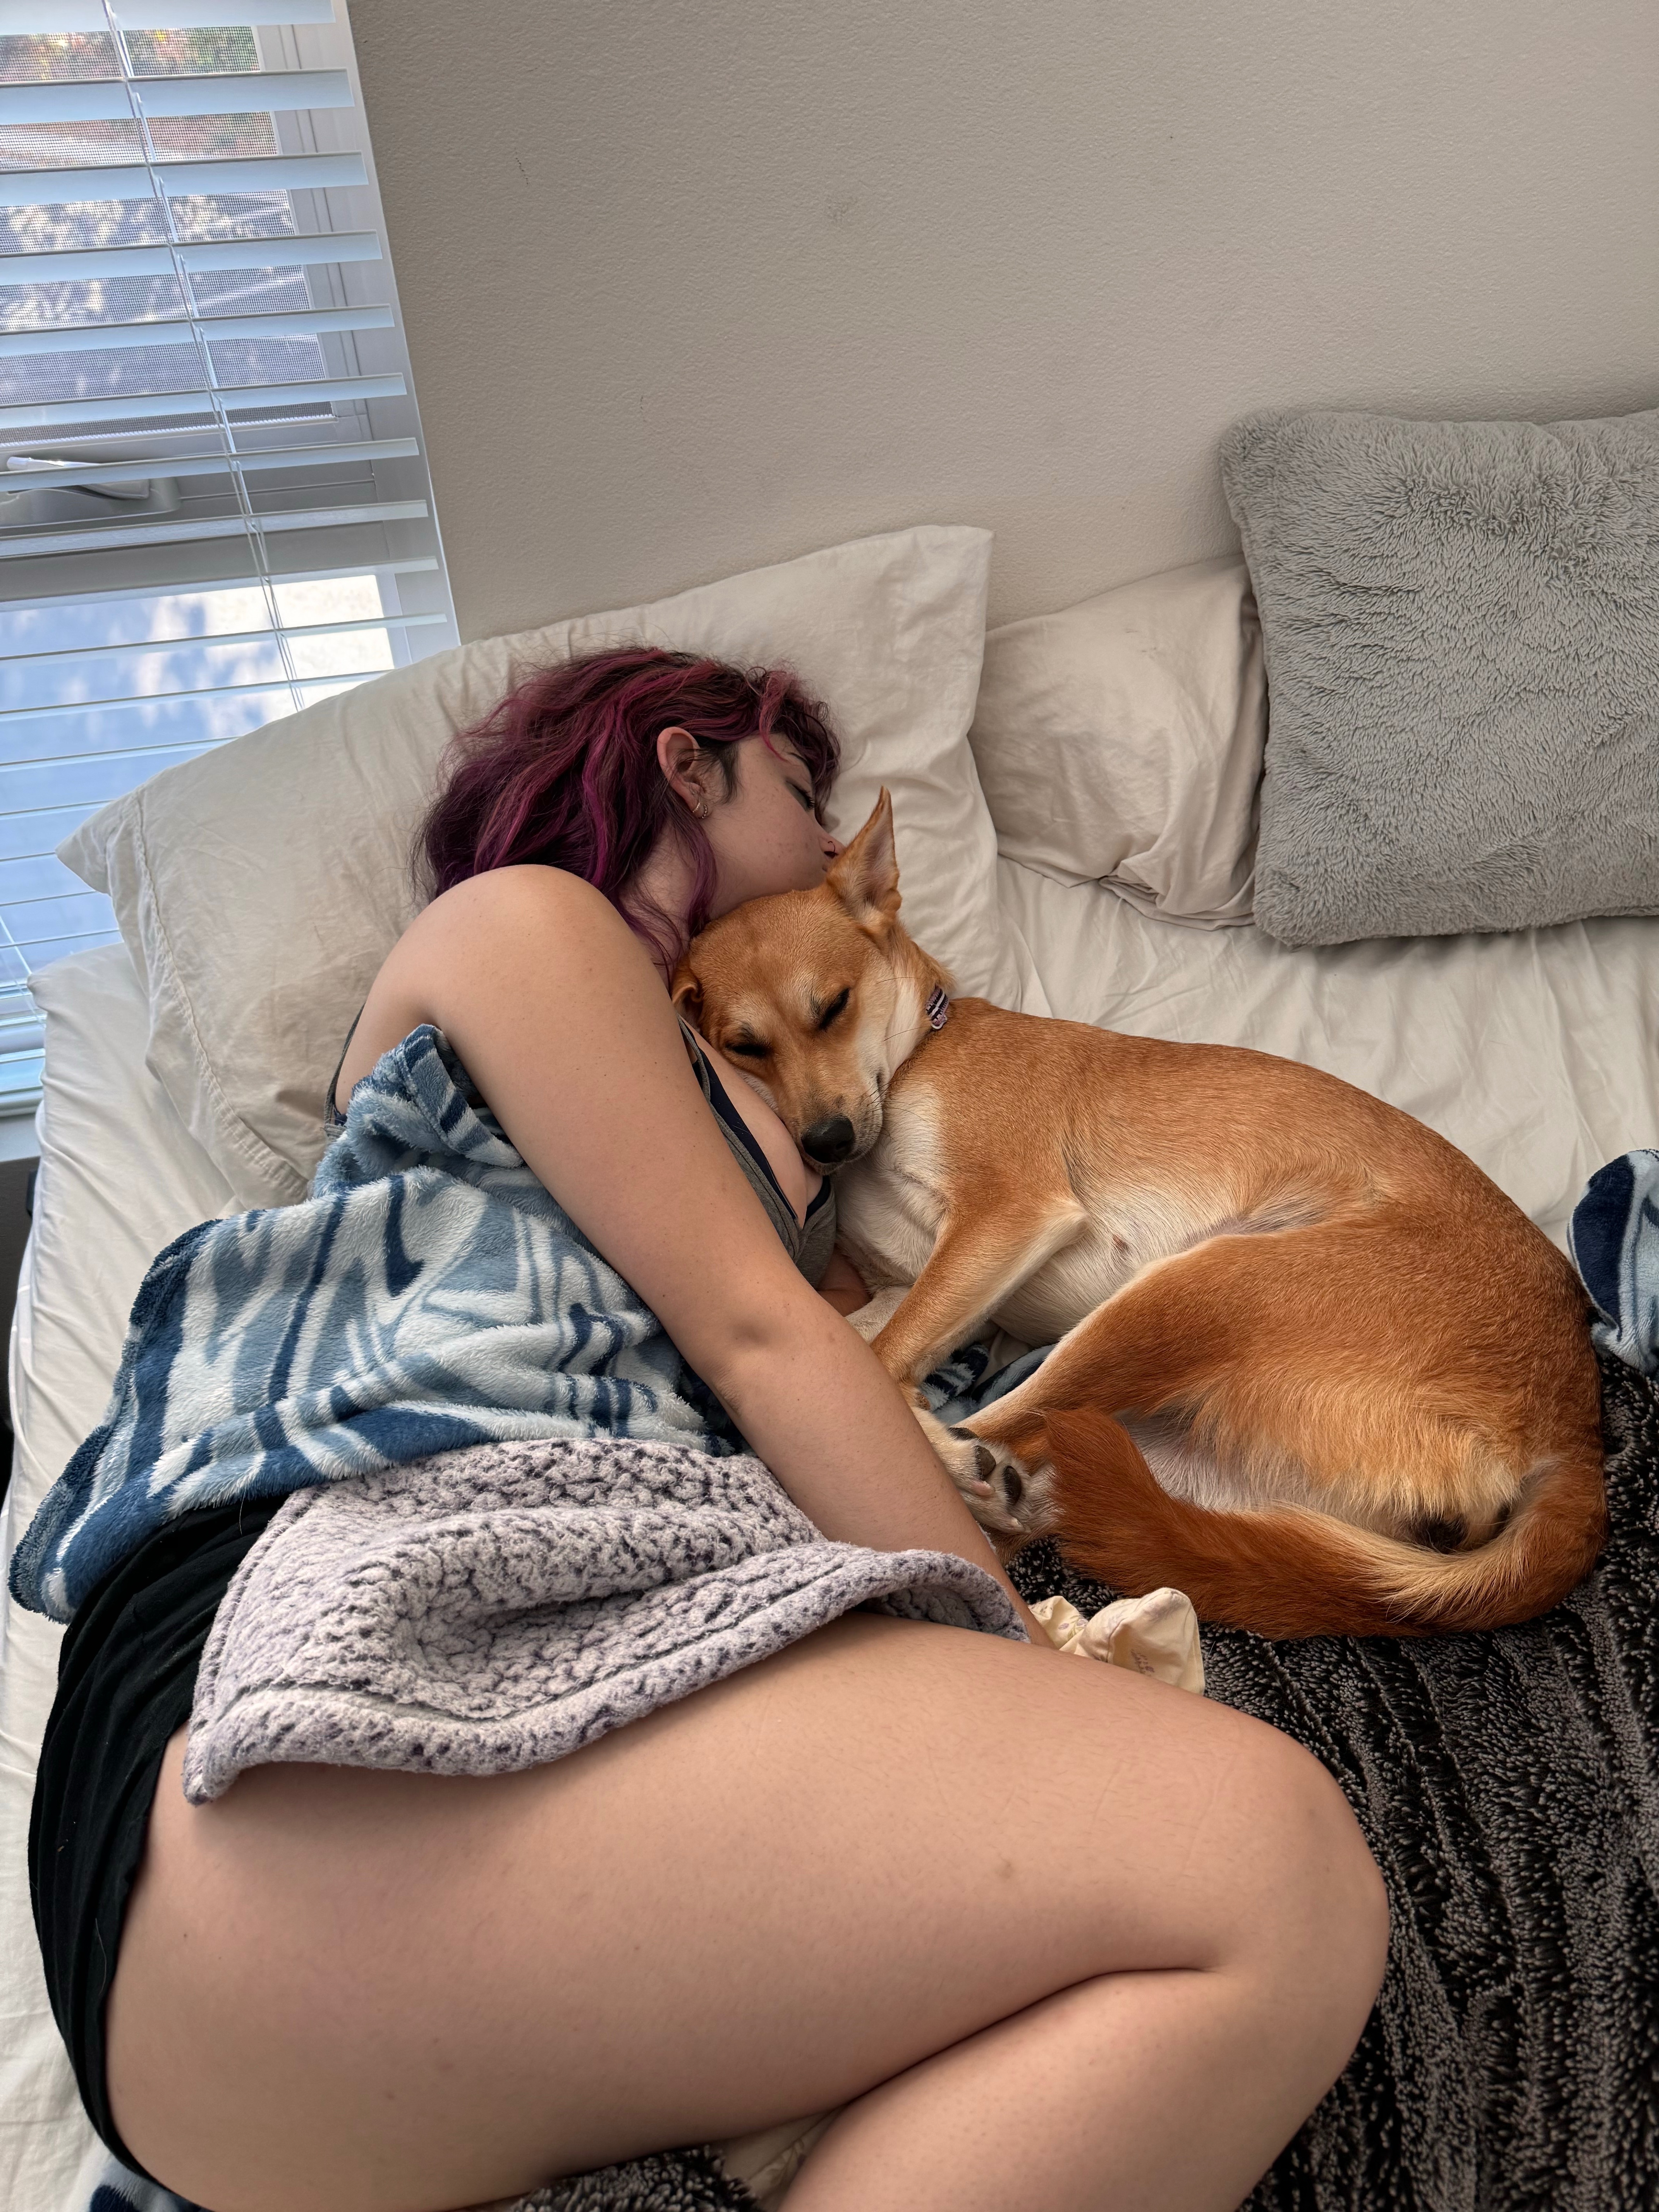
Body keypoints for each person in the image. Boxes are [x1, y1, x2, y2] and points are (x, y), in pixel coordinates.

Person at [84, 647, 1384, 2211]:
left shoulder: (744, 1091)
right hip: (295, 1684)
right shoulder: (528, 926)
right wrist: (1023, 1653)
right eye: (798, 787)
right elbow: (762, 1342)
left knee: (1244, 1898)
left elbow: (806, 1343)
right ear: (688, 767)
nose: (828, 830)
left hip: (257, 2044)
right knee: (1267, 1863)